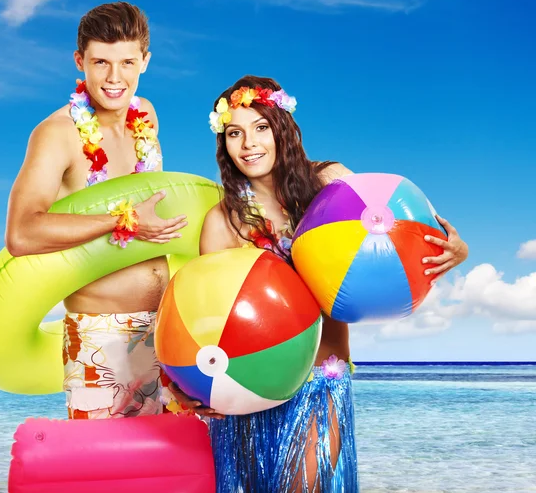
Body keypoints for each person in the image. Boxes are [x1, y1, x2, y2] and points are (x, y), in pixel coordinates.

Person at [169, 75, 469, 492]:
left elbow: (406, 227)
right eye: (235, 133)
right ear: (224, 143)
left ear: (282, 129)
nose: (249, 143)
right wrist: (185, 384)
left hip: (319, 381)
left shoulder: (329, 182)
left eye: (261, 127)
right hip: (248, 391)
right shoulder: (222, 222)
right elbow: (207, 315)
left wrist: (456, 251)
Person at [5, 2, 188, 420]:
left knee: (170, 475)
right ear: (79, 61)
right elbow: (21, 233)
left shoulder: (147, 117)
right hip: (99, 335)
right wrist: (122, 221)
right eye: (101, 62)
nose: (114, 77)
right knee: (106, 473)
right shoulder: (58, 134)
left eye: (127, 62)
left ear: (145, 60)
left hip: (167, 330)